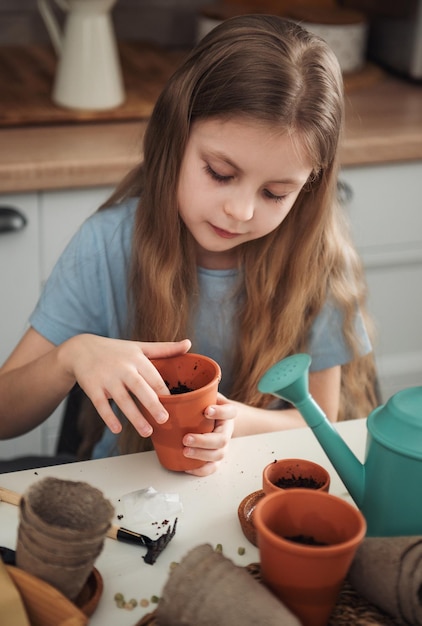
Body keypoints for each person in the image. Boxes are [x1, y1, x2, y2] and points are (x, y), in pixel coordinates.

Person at [0, 14, 378, 476]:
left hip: (251, 487)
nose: (240, 211)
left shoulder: (317, 261)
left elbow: (322, 421)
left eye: (275, 193)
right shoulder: (107, 245)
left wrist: (233, 423)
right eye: (220, 173)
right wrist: (70, 356)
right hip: (124, 488)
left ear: (310, 187)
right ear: (175, 137)